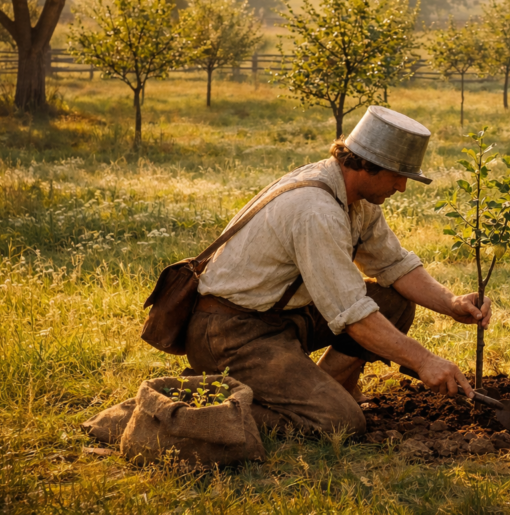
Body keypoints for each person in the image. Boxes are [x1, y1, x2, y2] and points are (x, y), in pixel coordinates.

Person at [184, 106, 491, 435]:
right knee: (339, 422)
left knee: (393, 302)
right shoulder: (317, 210)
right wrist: (424, 361)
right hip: (232, 333)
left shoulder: (356, 198)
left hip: (284, 318)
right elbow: (352, 314)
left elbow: (392, 265)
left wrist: (452, 304)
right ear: (368, 166)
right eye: (398, 176)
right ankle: (211, 405)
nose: (402, 187)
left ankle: (325, 389)